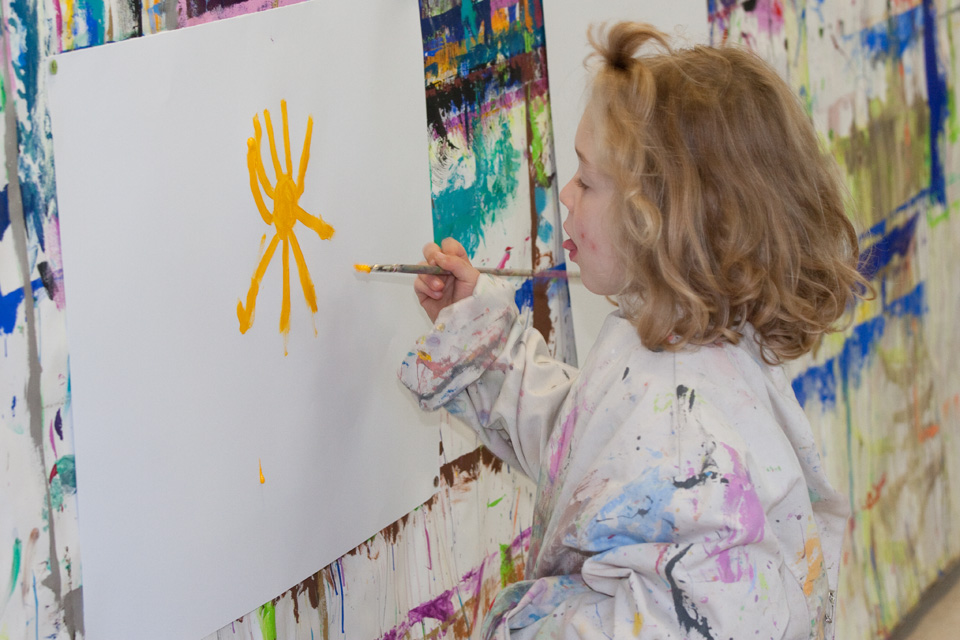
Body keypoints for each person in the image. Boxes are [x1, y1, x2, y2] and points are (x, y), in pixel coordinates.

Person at [398, 21, 868, 640]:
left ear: (663, 218)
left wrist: (531, 621)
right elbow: (592, 457)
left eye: (588, 180)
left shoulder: (686, 430)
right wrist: (482, 340)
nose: (566, 194)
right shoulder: (695, 342)